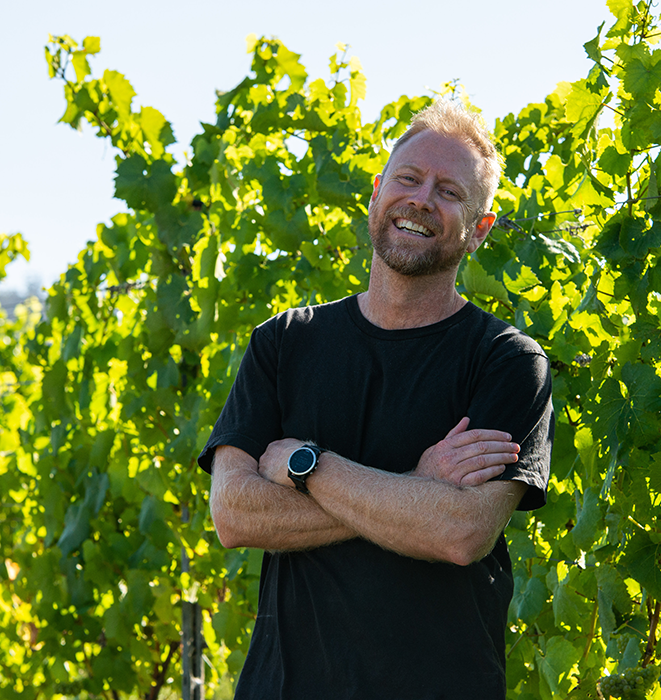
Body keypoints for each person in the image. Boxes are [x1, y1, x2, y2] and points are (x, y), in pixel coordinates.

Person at [197, 99, 554, 699]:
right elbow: (234, 513)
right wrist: (416, 484)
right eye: (408, 179)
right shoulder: (283, 343)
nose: (421, 199)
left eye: (449, 192)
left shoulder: (508, 362)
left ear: (480, 231)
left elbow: (461, 533)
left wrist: (306, 467)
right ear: (376, 192)